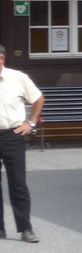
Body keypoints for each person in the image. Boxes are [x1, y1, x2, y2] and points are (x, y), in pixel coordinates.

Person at [0, 44, 44, 243]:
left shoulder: (17, 78)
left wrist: (31, 122)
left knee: (18, 184)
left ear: (2, 59)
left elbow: (38, 99)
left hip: (12, 135)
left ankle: (25, 228)